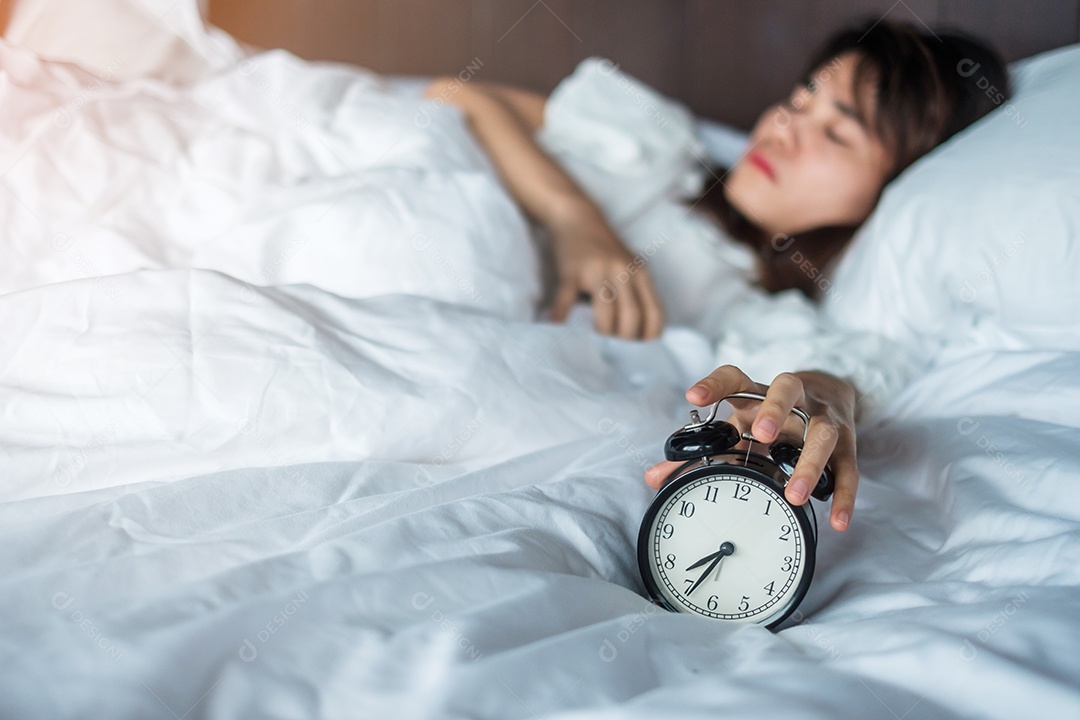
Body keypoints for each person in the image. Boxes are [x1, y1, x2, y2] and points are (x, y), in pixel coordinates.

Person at [426, 19, 1009, 533]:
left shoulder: (754, 308)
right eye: (802, 98)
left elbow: (807, 380)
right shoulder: (665, 146)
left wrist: (819, 400)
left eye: (837, 132)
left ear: (889, 192)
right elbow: (454, 94)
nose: (784, 123)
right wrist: (575, 219)